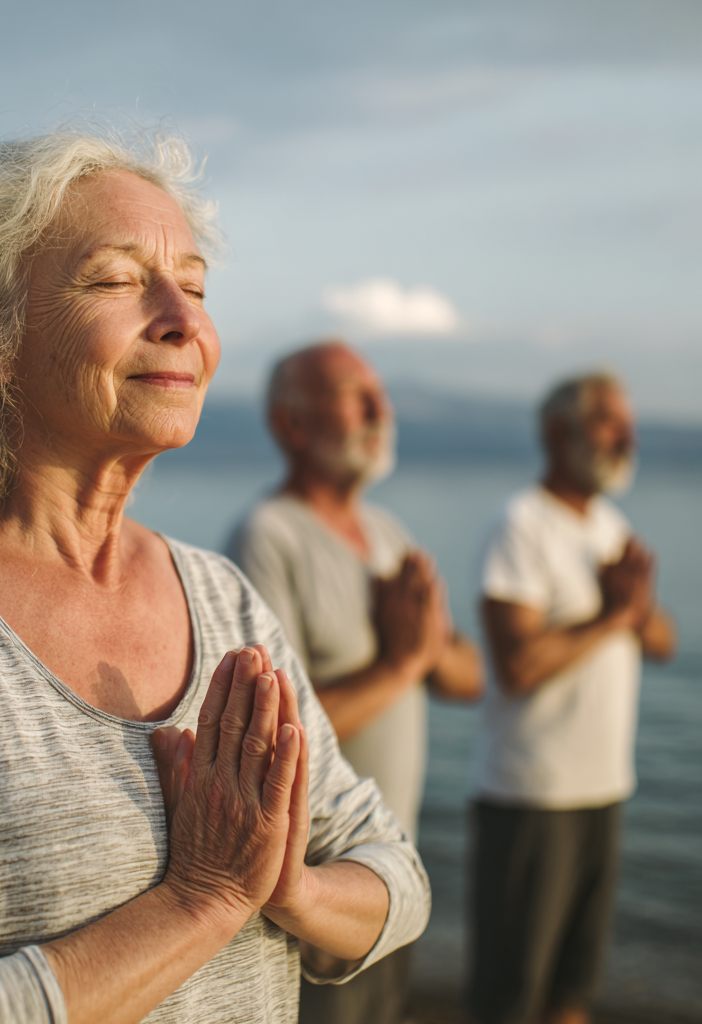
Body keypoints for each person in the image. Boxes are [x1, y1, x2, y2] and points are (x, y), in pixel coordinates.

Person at [0, 131, 431, 1024]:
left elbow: (398, 877)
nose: (182, 317)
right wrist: (203, 898)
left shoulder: (220, 594)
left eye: (194, 284)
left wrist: (287, 884)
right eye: (115, 279)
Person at [227, 341, 483, 1024]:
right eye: (352, 394)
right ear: (293, 426)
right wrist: (400, 664)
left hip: (392, 876)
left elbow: (468, 676)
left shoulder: (387, 533)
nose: (379, 409)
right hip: (311, 894)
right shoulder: (267, 537)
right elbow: (270, 737)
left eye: (380, 393)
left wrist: (421, 649)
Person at [468, 372, 677, 1024]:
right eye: (611, 423)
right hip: (530, 796)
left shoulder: (609, 525)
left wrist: (633, 611)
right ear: (560, 434)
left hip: (603, 789)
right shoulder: (522, 526)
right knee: (511, 994)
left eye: (627, 423)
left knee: (573, 989)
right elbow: (517, 666)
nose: (629, 437)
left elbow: (663, 638)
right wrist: (614, 618)